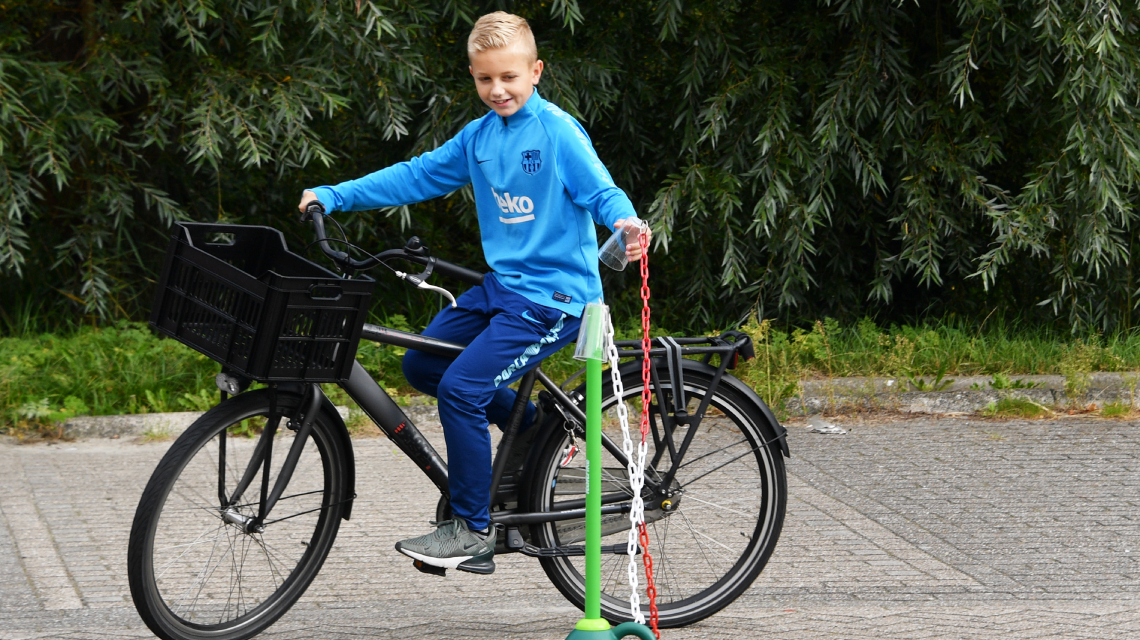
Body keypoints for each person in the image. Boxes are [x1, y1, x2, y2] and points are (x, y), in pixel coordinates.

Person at [297, 11, 647, 575]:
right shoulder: (480, 137)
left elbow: (601, 192)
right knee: (422, 367)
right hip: (503, 289)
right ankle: (532, 430)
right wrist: (333, 195)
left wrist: (627, 224)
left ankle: (472, 528)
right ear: (473, 76)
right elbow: (416, 175)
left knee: (461, 388)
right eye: (485, 79)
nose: (498, 90)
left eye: (509, 77)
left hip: (554, 301)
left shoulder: (557, 132)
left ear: (536, 71)